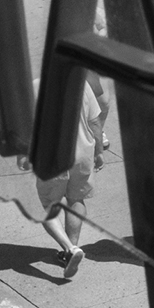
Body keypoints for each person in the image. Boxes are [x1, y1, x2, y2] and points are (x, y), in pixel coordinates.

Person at [35, 72, 110, 278]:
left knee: (46, 206)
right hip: (82, 155)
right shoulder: (82, 86)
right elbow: (95, 122)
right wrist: (99, 153)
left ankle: (70, 249)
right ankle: (72, 248)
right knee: (76, 199)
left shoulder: (35, 87)